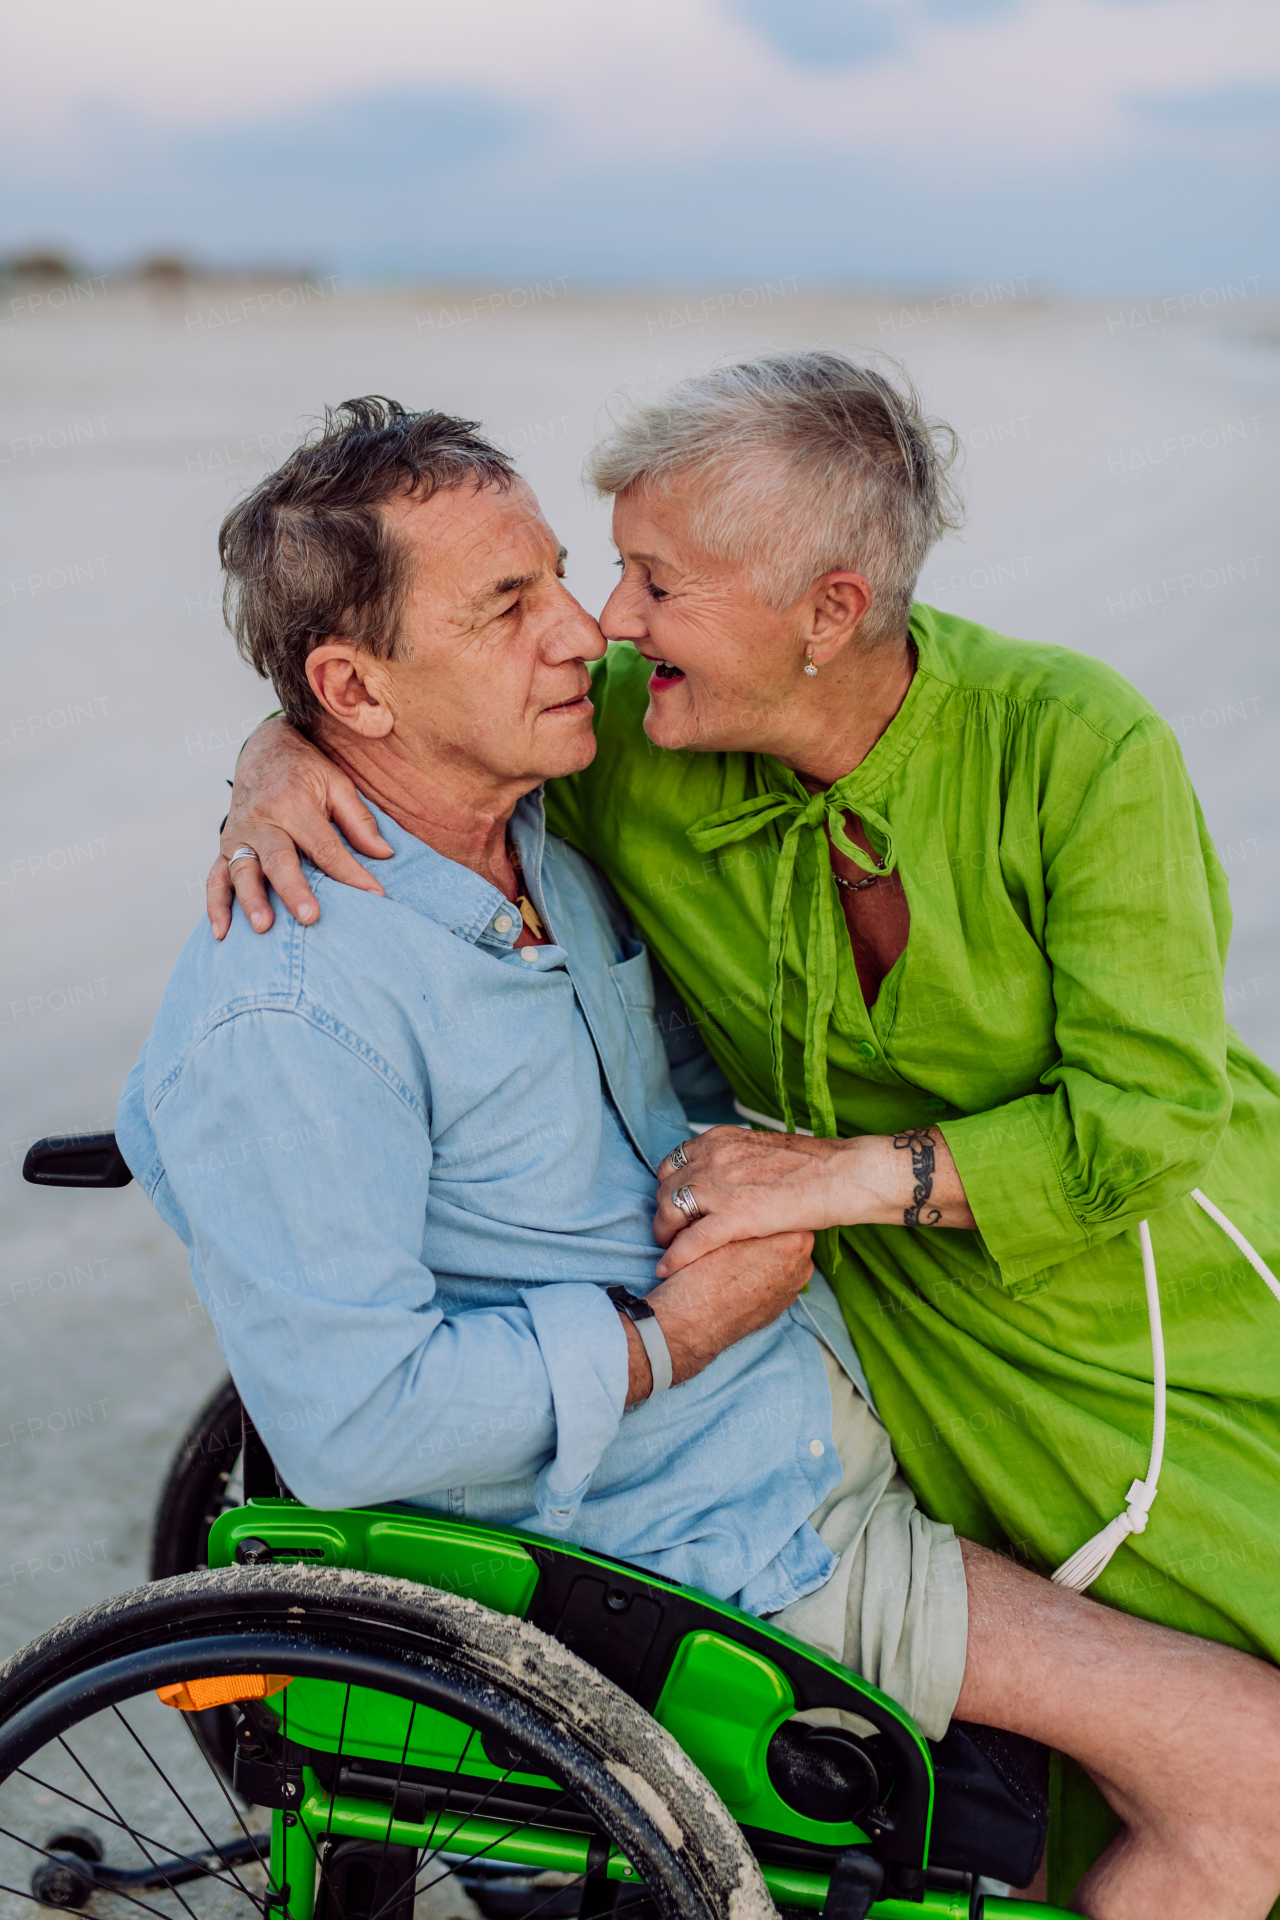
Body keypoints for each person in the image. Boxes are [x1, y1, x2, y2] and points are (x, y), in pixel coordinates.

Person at [210, 370, 1280, 1920]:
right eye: (602, 571)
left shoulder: (1071, 741)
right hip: (871, 1340)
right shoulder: (636, 744)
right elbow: (416, 715)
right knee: (1081, 1782)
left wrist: (844, 1178)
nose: (608, 622)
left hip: (1142, 1303)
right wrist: (276, 753)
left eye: (652, 581)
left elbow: (1152, 1117)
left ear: (829, 610)